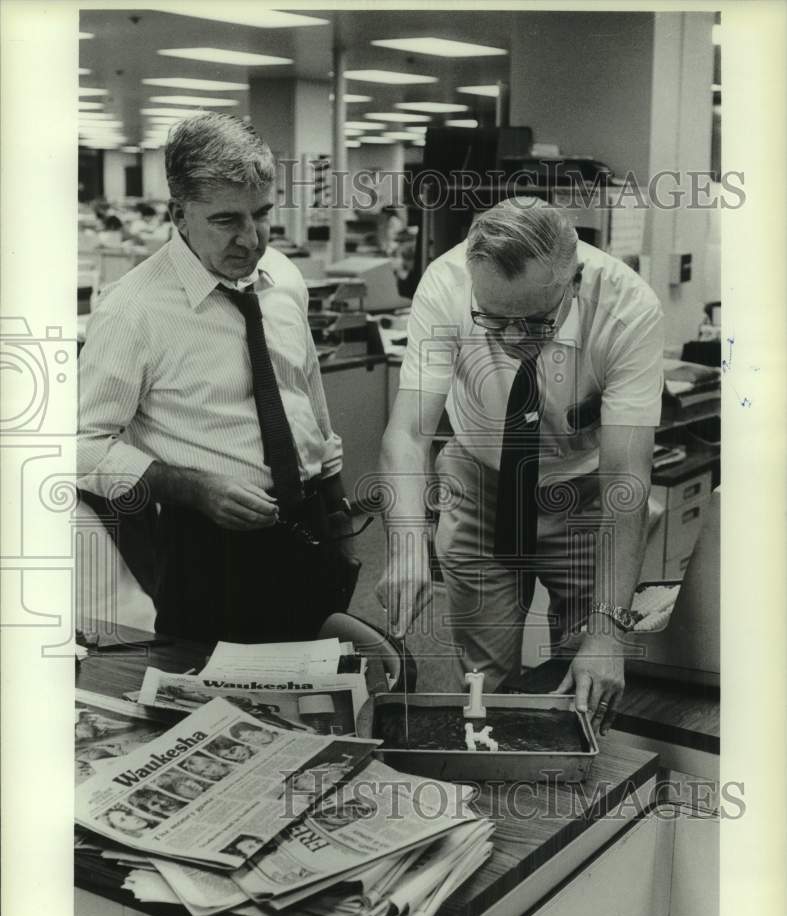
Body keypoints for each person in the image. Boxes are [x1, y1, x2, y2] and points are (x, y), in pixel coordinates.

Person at [376, 197, 664, 734]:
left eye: (533, 321)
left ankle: (570, 793)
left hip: (581, 492)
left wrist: (606, 633)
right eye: (493, 319)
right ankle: (493, 788)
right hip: (479, 481)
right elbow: (409, 432)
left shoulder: (627, 309)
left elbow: (626, 478)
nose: (510, 340)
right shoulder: (446, 286)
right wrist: (408, 540)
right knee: (484, 682)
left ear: (573, 281)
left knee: (583, 671)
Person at [77, 112, 357, 644]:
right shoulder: (131, 311)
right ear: (180, 214)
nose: (252, 240)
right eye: (227, 220)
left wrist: (338, 519)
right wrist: (188, 486)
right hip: (209, 546)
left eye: (263, 214)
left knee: (325, 683)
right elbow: (79, 447)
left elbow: (309, 405)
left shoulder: (284, 279)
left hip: (309, 520)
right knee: (218, 699)